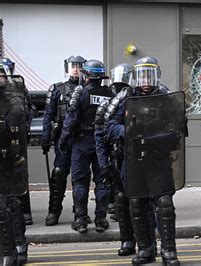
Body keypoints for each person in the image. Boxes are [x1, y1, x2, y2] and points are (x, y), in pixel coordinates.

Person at [107, 56, 182, 265]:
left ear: (156, 76)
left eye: (149, 75)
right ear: (135, 77)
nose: (146, 81)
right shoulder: (125, 97)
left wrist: (157, 135)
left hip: (159, 159)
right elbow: (109, 124)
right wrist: (127, 131)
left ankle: (169, 251)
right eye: (142, 76)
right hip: (133, 160)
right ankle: (146, 249)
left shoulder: (166, 96)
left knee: (164, 203)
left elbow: (178, 126)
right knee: (137, 203)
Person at [58, 59, 112, 234]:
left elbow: (71, 119)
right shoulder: (109, 94)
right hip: (102, 143)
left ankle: (81, 221)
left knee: (80, 182)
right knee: (101, 181)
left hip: (81, 142)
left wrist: (63, 140)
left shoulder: (80, 92)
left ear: (86, 75)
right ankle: (101, 220)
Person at [96, 63, 136, 255]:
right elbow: (100, 134)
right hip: (117, 156)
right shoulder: (108, 104)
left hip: (140, 157)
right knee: (121, 200)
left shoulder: (138, 98)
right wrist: (103, 163)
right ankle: (127, 240)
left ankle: (145, 241)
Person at [42, 55, 86, 226]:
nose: (76, 69)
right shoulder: (57, 89)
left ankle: (80, 211)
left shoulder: (87, 89)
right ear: (67, 68)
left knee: (80, 177)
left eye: (79, 66)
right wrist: (45, 138)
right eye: (73, 65)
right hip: (62, 139)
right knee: (59, 174)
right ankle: (54, 211)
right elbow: (48, 115)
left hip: (81, 139)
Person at [0, 58, 30, 265]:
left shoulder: (14, 101)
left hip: (9, 159)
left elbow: (16, 128)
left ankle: (16, 248)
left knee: (9, 205)